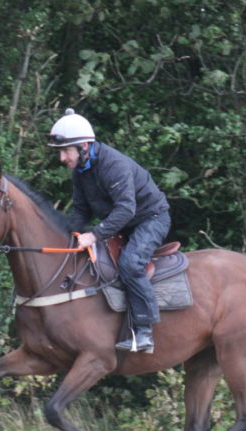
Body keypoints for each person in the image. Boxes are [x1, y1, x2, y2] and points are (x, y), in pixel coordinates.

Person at [48, 108, 171, 353]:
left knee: (130, 264)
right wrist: (69, 235)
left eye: (66, 151)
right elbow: (81, 211)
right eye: (60, 152)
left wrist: (94, 235)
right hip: (122, 224)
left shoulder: (113, 165)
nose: (62, 158)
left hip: (151, 219)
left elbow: (125, 209)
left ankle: (144, 332)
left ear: (84, 146)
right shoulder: (81, 171)